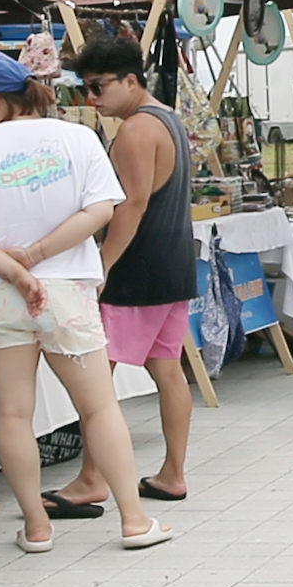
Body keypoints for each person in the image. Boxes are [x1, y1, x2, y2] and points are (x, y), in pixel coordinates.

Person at [0, 61, 160, 555]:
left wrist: (16, 270)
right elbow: (102, 209)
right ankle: (133, 518)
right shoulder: (78, 138)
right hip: (67, 289)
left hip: (0, 293)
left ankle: (37, 527)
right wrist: (40, 256)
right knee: (98, 406)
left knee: (14, 413)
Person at [61, 37, 197, 512]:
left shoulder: (137, 131)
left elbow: (131, 205)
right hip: (173, 260)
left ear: (131, 81)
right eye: (86, 89)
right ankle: (173, 473)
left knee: (99, 377)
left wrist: (102, 266)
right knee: (167, 370)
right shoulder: (169, 120)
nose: (92, 99)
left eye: (98, 87)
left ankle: (90, 478)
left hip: (138, 268)